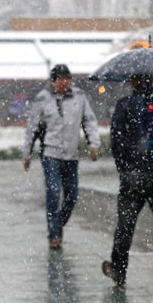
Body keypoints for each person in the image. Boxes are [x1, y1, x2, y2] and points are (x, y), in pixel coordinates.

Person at [101, 74, 153, 291]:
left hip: (134, 176)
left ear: (132, 82)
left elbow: (116, 140)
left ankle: (119, 270)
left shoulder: (125, 105)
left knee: (125, 226)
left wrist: (124, 168)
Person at [23, 64, 100, 250]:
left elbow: (89, 120)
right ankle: (55, 235)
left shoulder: (79, 96)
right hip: (51, 152)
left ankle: (56, 225)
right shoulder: (43, 98)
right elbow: (32, 127)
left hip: (72, 154)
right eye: (61, 79)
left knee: (72, 195)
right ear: (53, 81)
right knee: (53, 192)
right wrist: (27, 153)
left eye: (67, 79)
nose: (65, 83)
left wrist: (94, 143)